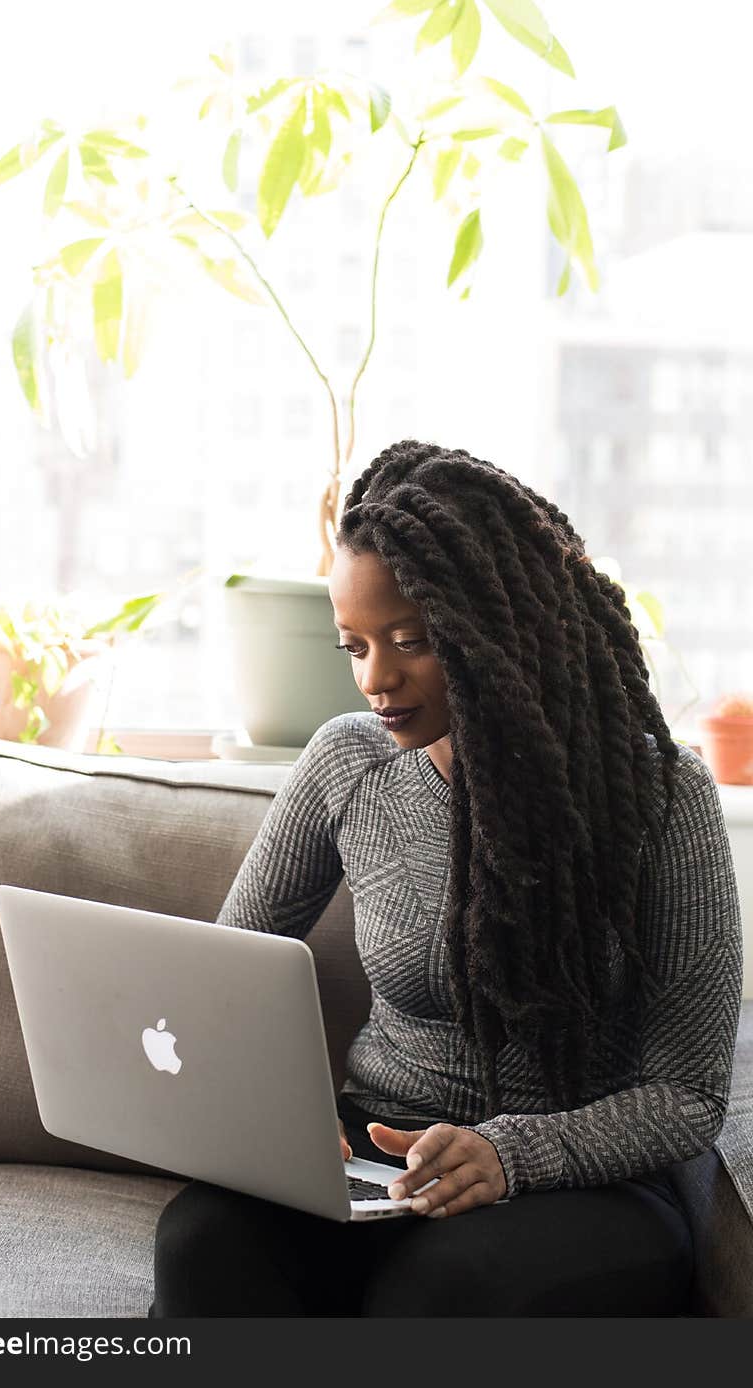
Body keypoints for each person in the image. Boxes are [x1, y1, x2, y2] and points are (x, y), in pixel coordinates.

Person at [150, 439, 743, 1317]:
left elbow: (688, 1096)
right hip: (374, 1149)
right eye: (353, 645)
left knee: (444, 1292)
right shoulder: (348, 765)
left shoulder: (661, 799)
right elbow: (223, 976)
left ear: (499, 629)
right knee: (202, 1247)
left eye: (410, 642)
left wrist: (510, 1155)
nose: (375, 679)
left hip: (578, 1180)